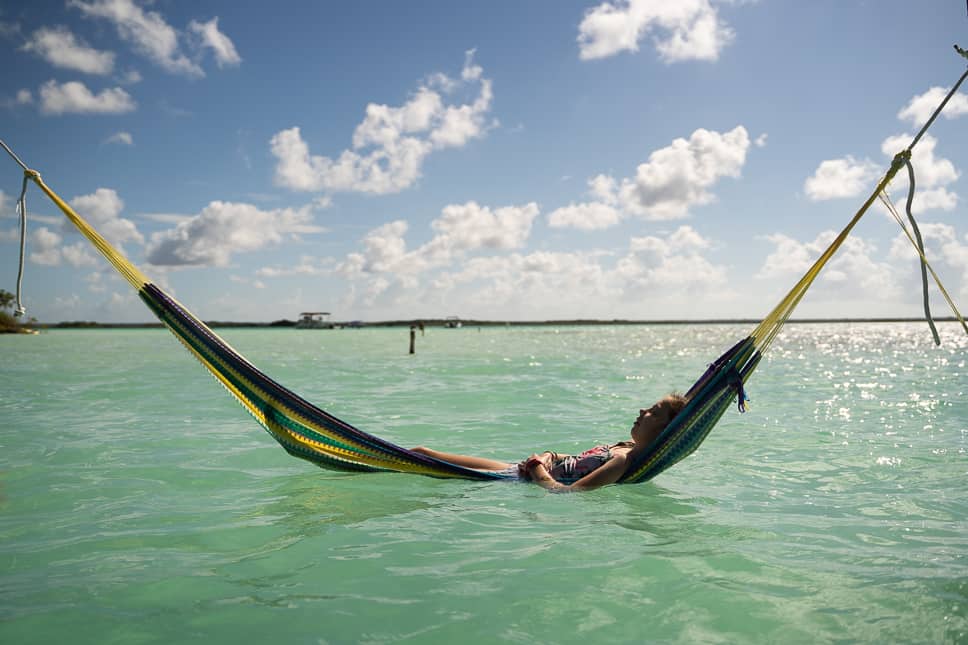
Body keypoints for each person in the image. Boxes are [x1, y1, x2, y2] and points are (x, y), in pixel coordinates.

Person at [411, 393, 688, 492]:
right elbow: (573, 459)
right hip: (521, 468)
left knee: (426, 464)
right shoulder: (623, 446)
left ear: (665, 430)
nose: (642, 411)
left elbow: (565, 492)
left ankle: (379, 462)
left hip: (517, 480)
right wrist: (548, 455)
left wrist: (536, 469)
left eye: (653, 412)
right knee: (424, 452)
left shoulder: (621, 462)